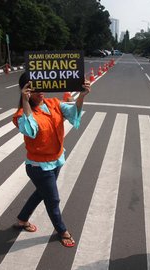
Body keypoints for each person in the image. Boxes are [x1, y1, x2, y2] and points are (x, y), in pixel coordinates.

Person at [11, 73, 91, 248]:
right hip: (39, 167)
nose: (40, 91)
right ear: (25, 90)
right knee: (52, 199)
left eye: (41, 86)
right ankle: (62, 231)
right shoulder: (20, 115)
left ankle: (22, 219)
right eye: (34, 88)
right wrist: (25, 102)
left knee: (42, 192)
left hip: (55, 160)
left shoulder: (53, 103)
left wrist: (82, 96)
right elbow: (30, 129)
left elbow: (72, 112)